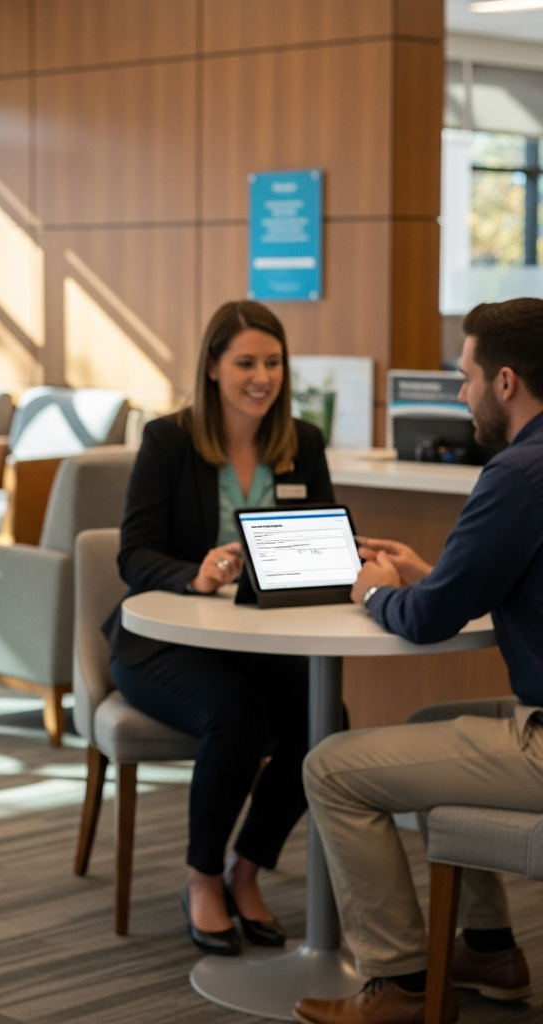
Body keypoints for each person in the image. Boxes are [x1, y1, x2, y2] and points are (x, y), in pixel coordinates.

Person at [294, 297, 543, 1024]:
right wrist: (432, 575)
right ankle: (490, 948)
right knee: (431, 722)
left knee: (332, 767)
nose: (459, 394)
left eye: (464, 377)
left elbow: (428, 621)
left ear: (504, 382)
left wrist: (376, 594)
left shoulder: (517, 476)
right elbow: (513, 589)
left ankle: (399, 982)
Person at [103, 299, 334, 955]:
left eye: (273, 362)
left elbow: (312, 545)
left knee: (326, 717)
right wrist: (194, 575)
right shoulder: (169, 440)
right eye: (245, 363)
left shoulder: (303, 444)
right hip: (159, 643)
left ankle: (247, 869)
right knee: (239, 717)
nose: (261, 376)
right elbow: (132, 554)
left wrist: (340, 560)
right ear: (212, 368)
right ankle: (202, 877)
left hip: (251, 642)